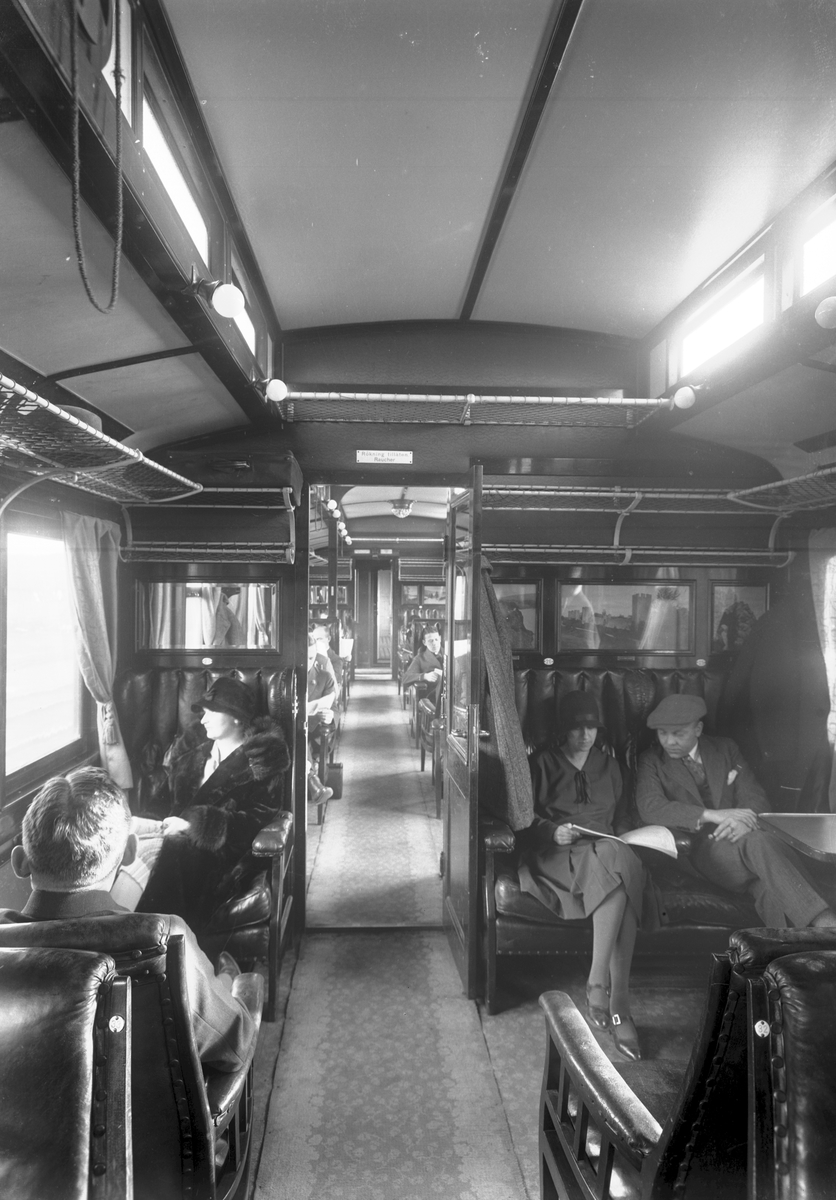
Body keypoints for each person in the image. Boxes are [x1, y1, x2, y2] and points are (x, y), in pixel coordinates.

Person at [3, 766, 255, 1074]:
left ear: (20, 861)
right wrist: (229, 985)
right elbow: (237, 1044)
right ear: (130, 852)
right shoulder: (165, 940)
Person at [518, 692, 648, 1060]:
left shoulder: (611, 766)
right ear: (563, 730)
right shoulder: (541, 763)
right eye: (577, 728)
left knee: (618, 860)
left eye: (591, 727)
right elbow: (524, 818)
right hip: (560, 855)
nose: (585, 735)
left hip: (606, 850)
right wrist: (551, 831)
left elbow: (621, 817)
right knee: (620, 872)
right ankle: (615, 1000)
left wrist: (630, 835)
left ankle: (603, 991)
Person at [636, 694, 836, 929]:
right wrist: (712, 815)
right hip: (700, 852)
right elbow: (651, 807)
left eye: (678, 734)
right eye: (662, 733)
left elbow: (755, 797)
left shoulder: (725, 748)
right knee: (760, 842)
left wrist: (745, 823)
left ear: (698, 729)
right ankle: (827, 925)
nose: (669, 741)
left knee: (768, 889)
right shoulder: (651, 760)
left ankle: (793, 948)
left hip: (742, 842)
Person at [137, 677, 290, 930]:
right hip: (171, 842)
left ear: (237, 717)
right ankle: (132, 932)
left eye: (212, 712)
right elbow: (160, 803)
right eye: (203, 712)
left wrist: (194, 827)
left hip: (223, 860)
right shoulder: (191, 754)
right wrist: (143, 824)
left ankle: (158, 938)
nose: (203, 719)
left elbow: (256, 821)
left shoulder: (262, 762)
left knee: (175, 849)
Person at [307, 631, 337, 805]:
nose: (308, 663)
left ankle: (313, 782)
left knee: (301, 734)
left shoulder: (324, 677)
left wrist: (328, 717)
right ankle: (313, 782)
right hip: (290, 729)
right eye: (304, 658)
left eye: (311, 658)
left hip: (314, 730)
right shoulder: (284, 678)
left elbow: (332, 707)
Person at [402, 626, 444, 705]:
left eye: (436, 639)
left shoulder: (449, 654)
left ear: (440, 639)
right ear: (424, 642)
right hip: (432, 699)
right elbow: (405, 678)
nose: (434, 643)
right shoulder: (420, 658)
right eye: (430, 641)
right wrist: (424, 676)